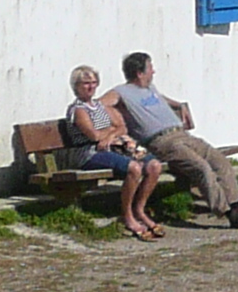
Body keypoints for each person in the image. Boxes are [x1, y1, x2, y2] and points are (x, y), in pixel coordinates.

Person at [111, 52, 238, 228]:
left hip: (182, 134)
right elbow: (101, 103)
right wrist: (115, 122)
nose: (153, 71)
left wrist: (180, 105)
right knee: (201, 168)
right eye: (150, 67)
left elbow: (162, 100)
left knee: (220, 161)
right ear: (139, 73)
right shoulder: (122, 92)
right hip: (163, 141)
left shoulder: (150, 89)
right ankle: (228, 213)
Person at [62, 67, 166, 240]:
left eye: (93, 83)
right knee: (134, 168)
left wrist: (110, 134)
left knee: (154, 165)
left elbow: (122, 126)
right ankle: (127, 216)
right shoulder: (77, 109)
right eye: (86, 83)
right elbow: (93, 135)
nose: (90, 87)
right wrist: (112, 131)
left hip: (112, 148)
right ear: (76, 86)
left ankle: (139, 209)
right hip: (89, 153)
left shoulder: (99, 105)